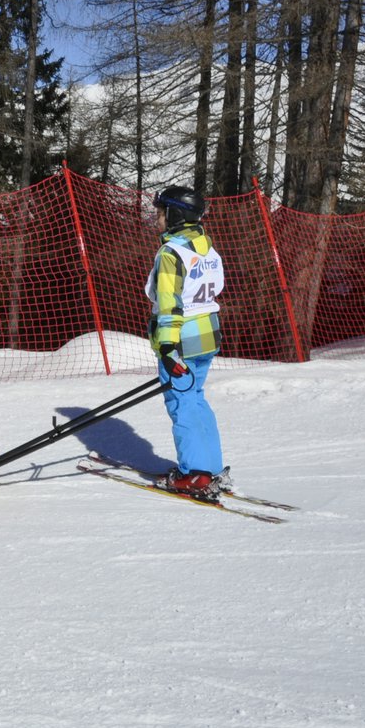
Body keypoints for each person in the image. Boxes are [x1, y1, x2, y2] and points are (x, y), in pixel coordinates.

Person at [146, 184, 227, 500]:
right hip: (208, 335)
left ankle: (195, 473)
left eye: (161, 212)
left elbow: (169, 303)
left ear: (175, 214)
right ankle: (211, 466)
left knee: (181, 403)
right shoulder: (206, 248)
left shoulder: (171, 254)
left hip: (181, 340)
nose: (157, 218)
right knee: (195, 398)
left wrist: (167, 347)